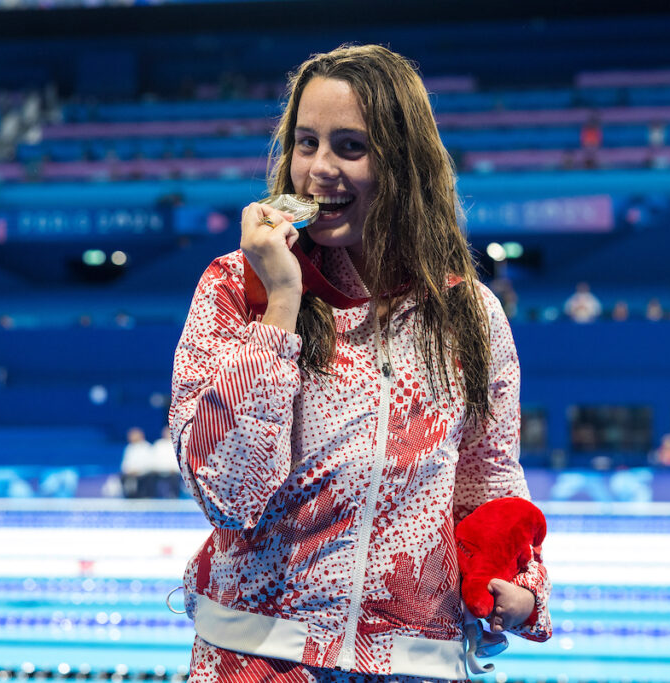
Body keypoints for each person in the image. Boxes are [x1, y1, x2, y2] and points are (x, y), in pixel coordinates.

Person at [169, 45, 551, 681]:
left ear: (404, 164)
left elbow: (489, 481)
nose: (319, 170)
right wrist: (284, 303)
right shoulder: (237, 290)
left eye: (351, 147)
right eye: (306, 142)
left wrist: (520, 584)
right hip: (259, 658)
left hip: (417, 664)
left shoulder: (468, 315)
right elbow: (228, 493)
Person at [119, 426, 153, 498]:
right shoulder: (129, 448)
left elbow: (149, 464)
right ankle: (129, 496)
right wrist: (128, 470)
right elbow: (125, 464)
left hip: (144, 473)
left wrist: (138, 470)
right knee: (122, 476)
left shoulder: (147, 447)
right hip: (130, 473)